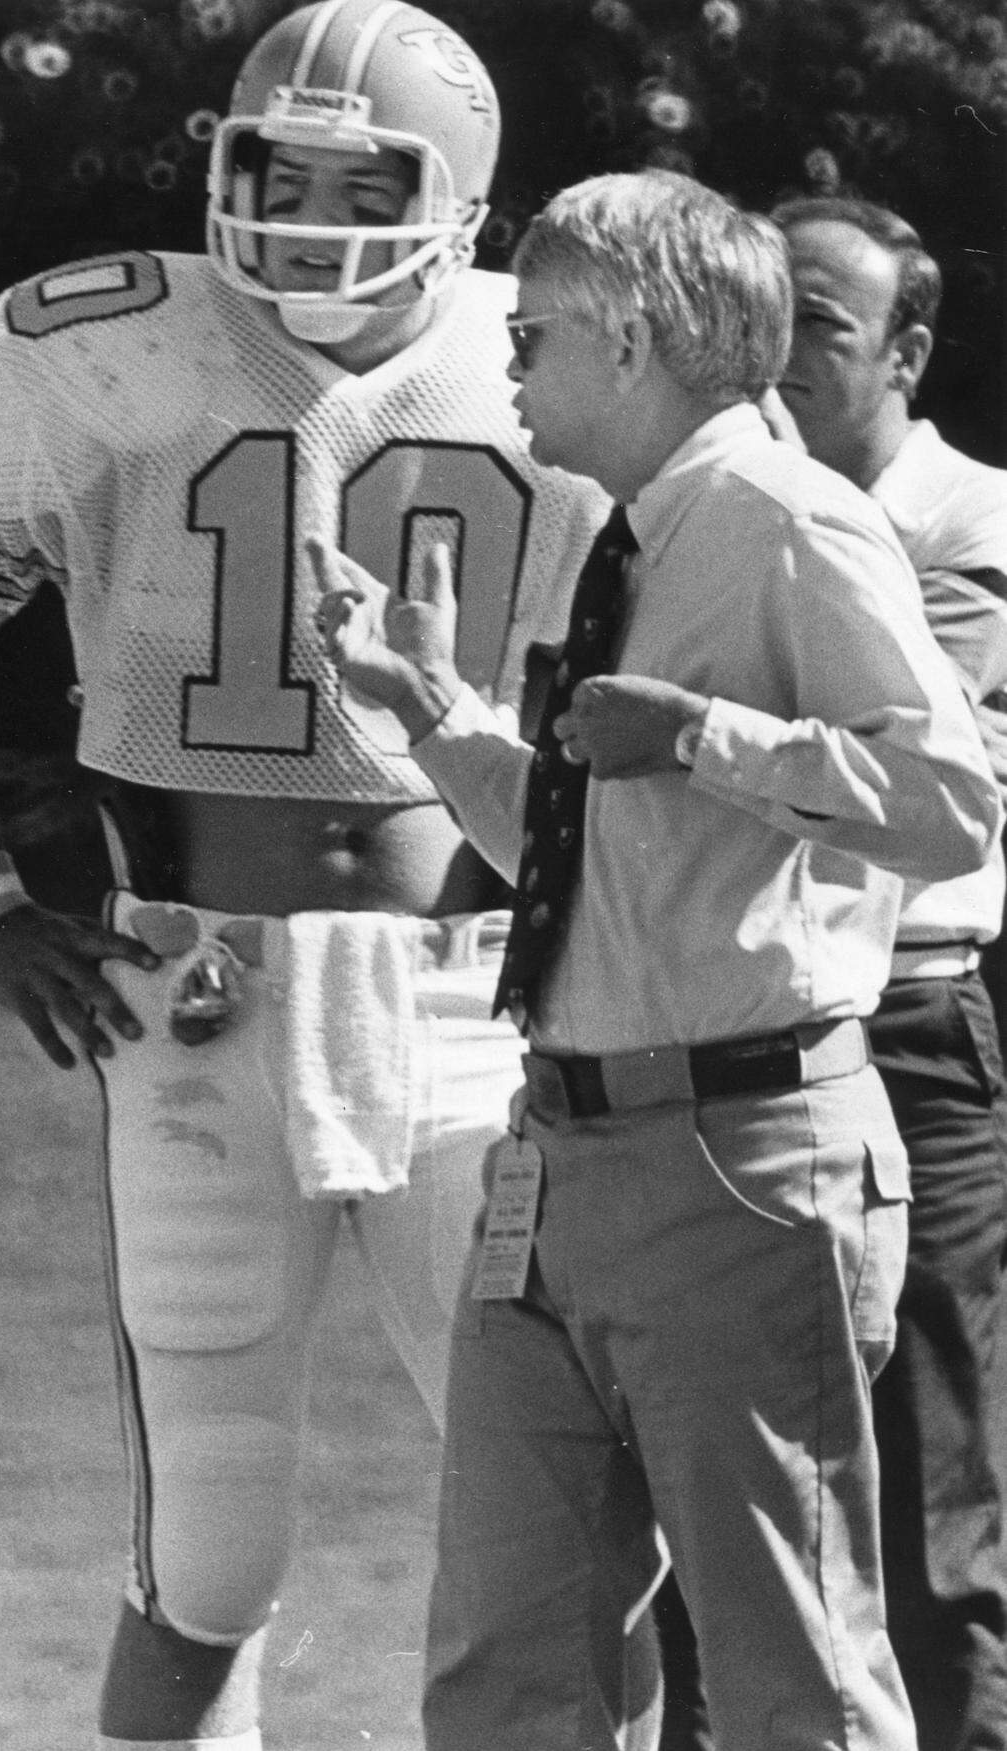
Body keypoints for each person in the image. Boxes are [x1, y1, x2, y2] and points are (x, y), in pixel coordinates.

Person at [0, 5, 646, 1749]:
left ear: (458, 193)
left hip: (484, 1006)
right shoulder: (94, 338)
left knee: (586, 1528)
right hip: (194, 986)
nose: (301, 214)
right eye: (268, 171)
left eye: (350, 179)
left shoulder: (566, 349)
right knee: (209, 1549)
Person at [310, 167, 1005, 1750]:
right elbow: (581, 856)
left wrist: (703, 731)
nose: (510, 360)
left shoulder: (786, 519)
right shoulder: (629, 533)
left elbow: (956, 806)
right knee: (503, 1672)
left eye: (536, 330)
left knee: (789, 1681)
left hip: (741, 1166)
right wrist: (432, 709)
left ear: (628, 341)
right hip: (553, 1162)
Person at [771, 194, 1007, 1751]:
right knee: (733, 1476)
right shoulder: (721, 509)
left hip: (910, 1031)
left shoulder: (971, 528)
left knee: (938, 1494)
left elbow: (921, 784)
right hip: (743, 1033)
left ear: (909, 351)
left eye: (822, 329)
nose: (778, 358)